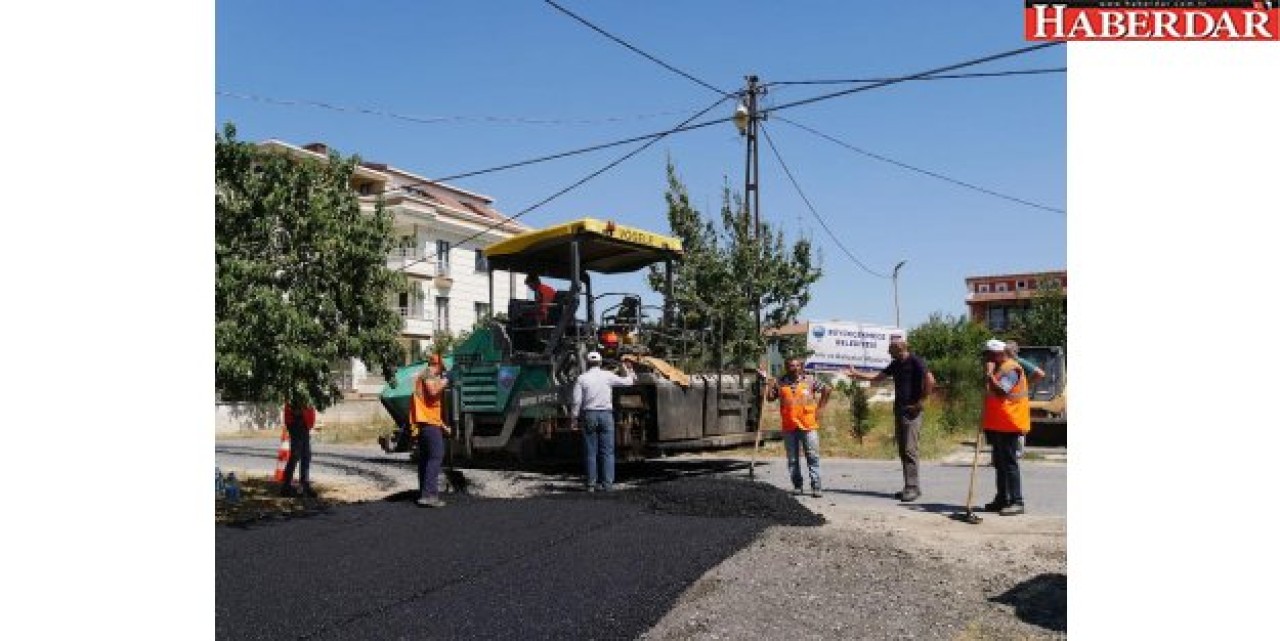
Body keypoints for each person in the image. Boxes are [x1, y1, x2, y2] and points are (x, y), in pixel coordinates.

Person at [846, 339, 934, 502]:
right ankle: (910, 486)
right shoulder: (896, 364)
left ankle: (912, 488)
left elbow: (930, 380)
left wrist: (920, 403)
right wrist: (856, 374)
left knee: (910, 449)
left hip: (912, 411)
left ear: (899, 348)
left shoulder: (915, 360)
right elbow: (878, 377)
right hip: (900, 410)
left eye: (890, 349)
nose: (888, 352)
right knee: (903, 450)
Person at [764, 357, 831, 497]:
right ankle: (797, 486)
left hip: (808, 425)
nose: (794, 368)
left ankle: (816, 486)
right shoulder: (780, 382)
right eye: (791, 366)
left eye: (797, 366)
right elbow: (770, 398)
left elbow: (827, 389)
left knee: (812, 457)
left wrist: (820, 408)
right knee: (792, 459)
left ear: (801, 367)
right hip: (789, 426)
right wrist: (769, 385)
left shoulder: (810, 380)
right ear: (786, 368)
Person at [981, 338, 1032, 516]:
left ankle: (1017, 501)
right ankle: (1002, 498)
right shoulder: (999, 368)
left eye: (988, 355)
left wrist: (989, 375)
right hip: (998, 423)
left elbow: (1002, 391)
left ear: (997, 354)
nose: (986, 359)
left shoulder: (1012, 369)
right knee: (999, 463)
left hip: (1010, 422)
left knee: (1009, 464)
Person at [571, 351, 635, 492]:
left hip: (589, 415)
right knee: (607, 452)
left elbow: (576, 401)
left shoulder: (582, 379)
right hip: (606, 415)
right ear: (600, 363)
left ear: (587, 363)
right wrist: (627, 369)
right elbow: (629, 382)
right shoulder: (607, 376)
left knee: (590, 451)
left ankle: (591, 485)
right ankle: (607, 484)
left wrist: (574, 419)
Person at [411, 354, 452, 508]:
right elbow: (433, 391)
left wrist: (444, 426)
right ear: (438, 365)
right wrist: (447, 380)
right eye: (442, 370)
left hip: (427, 422)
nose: (441, 374)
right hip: (427, 423)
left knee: (426, 458)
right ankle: (429, 495)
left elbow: (430, 408)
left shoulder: (426, 375)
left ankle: (424, 493)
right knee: (436, 456)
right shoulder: (428, 373)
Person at [1002, 339, 1045, 459]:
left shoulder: (1018, 362)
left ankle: (1015, 455)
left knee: (1017, 426)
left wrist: (1027, 383)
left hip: (1017, 401)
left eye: (1007, 351)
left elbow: (1040, 373)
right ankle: (1007, 455)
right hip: (1009, 401)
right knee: (1011, 426)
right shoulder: (1008, 363)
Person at [280, 402, 317, 498]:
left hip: (304, 425)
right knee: (295, 456)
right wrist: (300, 414)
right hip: (297, 424)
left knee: (305, 456)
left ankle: (304, 485)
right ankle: (286, 486)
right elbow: (294, 410)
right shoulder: (296, 398)